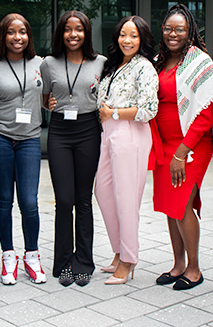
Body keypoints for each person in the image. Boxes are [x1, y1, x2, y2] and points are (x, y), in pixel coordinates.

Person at [149, 3, 213, 290]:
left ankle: (194, 268)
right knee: (170, 207)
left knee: (182, 205)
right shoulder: (157, 60)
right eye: (168, 28)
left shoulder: (200, 62)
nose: (173, 33)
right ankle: (178, 264)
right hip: (163, 145)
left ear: (190, 31)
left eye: (179, 29)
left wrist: (182, 151)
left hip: (191, 146)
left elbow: (205, 114)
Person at [40, 11, 105, 287]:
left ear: (86, 32)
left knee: (84, 200)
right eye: (68, 29)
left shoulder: (100, 62)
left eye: (79, 29)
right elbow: (45, 99)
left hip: (89, 129)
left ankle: (84, 262)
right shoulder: (49, 63)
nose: (73, 34)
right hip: (60, 133)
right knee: (64, 200)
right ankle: (63, 261)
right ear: (61, 33)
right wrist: (49, 105)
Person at [0, 13, 47, 285]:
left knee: (29, 202)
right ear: (3, 35)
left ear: (28, 35)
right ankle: (8, 256)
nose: (17, 37)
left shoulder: (41, 64)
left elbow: (54, 91)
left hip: (30, 138)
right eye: (11, 32)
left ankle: (31, 255)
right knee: (4, 200)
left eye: (22, 32)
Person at [95, 15, 158, 285]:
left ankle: (129, 259)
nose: (127, 40)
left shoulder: (144, 67)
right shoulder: (113, 65)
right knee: (103, 190)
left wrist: (115, 113)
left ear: (142, 38)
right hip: (109, 132)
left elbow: (148, 110)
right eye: (123, 34)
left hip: (131, 132)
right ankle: (119, 250)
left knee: (126, 198)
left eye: (133, 35)